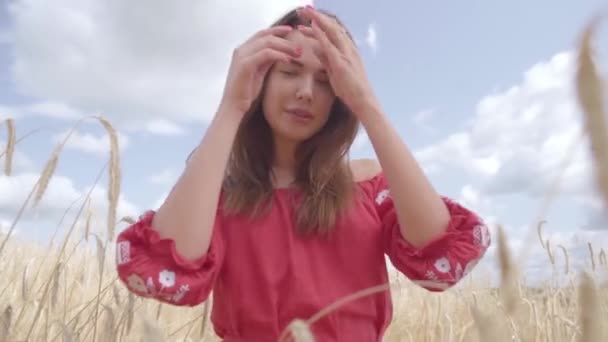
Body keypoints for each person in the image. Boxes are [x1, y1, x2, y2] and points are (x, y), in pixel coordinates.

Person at [115, 5, 491, 341]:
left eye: (326, 80)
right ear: (262, 82)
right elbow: (168, 268)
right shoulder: (221, 193)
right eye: (290, 72)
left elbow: (439, 257)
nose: (307, 92)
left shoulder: (368, 182)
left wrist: (366, 102)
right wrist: (232, 105)